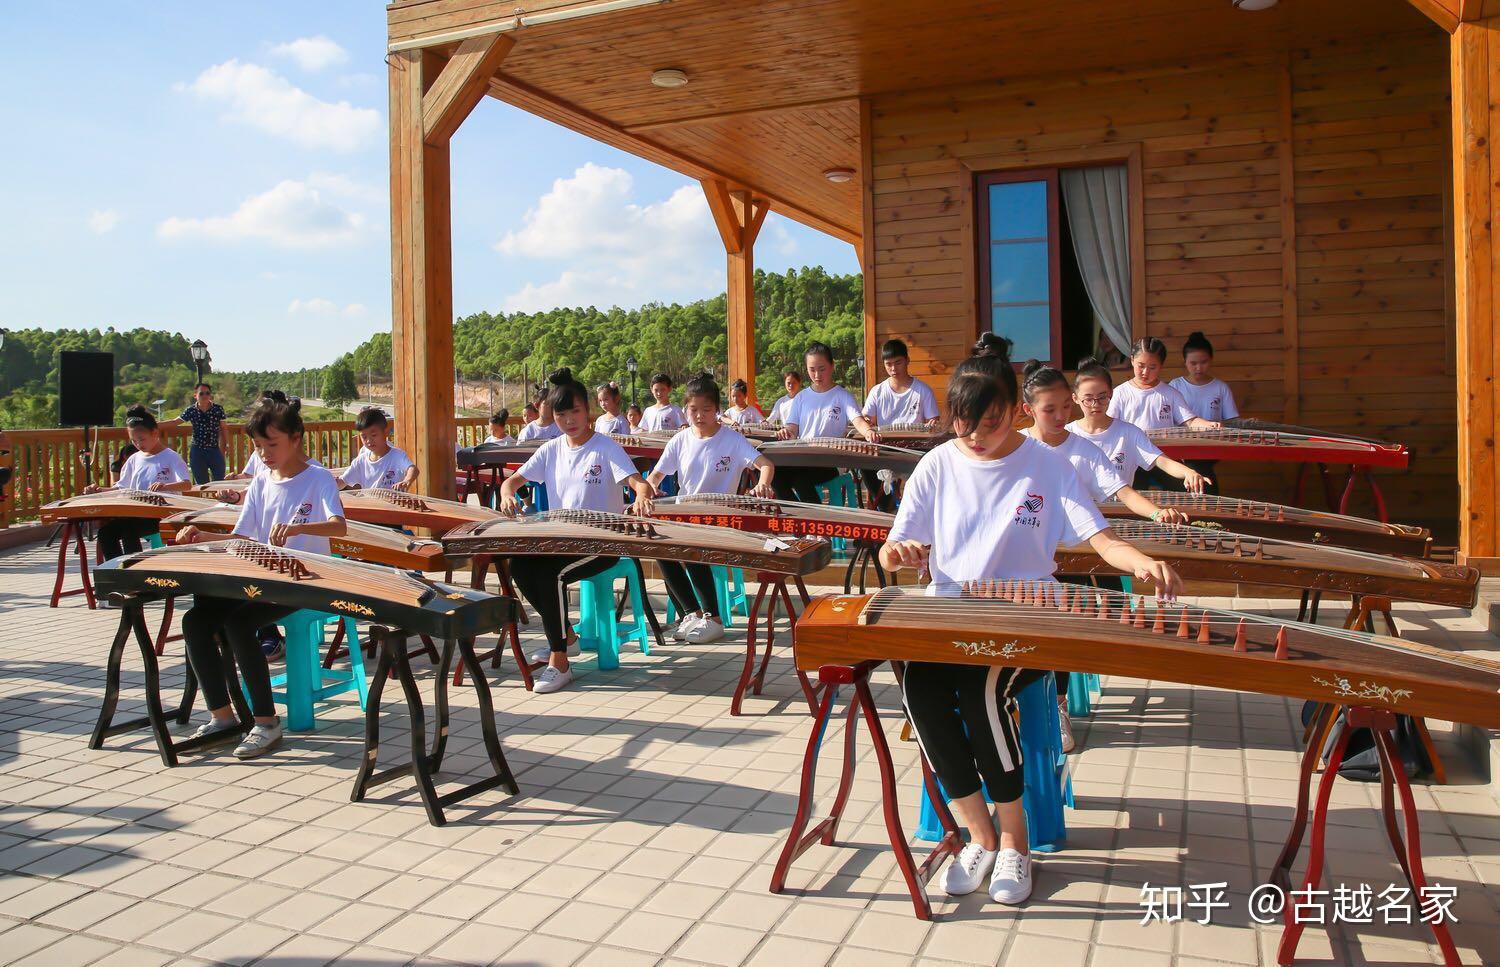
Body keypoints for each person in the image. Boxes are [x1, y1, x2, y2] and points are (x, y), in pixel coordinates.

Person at [879, 348, 1183, 906]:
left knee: (979, 693)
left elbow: (1100, 538)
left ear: (1015, 412)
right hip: (950, 613)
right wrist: (897, 554)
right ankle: (981, 836)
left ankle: (1015, 843)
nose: (974, 435)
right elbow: (895, 548)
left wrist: (1138, 561)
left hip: (1027, 616)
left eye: (990, 422)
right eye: (964, 423)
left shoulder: (1047, 465)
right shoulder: (938, 464)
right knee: (920, 692)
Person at [1020, 360, 1187, 752]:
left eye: (1065, 406)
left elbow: (1122, 492)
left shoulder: (1084, 450)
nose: (1062, 416)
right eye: (1050, 409)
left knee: (1060, 630)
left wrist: (1157, 511)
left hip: (1076, 553)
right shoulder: (1018, 448)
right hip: (1025, 556)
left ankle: (1057, 706)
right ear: (1028, 410)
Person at [171, 394, 347, 759]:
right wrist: (203, 535)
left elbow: (339, 526)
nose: (265, 453)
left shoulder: (317, 478)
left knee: (239, 624)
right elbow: (243, 536)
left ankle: (266, 723)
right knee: (196, 620)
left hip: (306, 579)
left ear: (295, 438)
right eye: (258, 446)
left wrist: (299, 528)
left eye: (272, 444)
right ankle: (222, 717)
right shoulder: (262, 481)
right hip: (265, 576)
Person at [497, 369, 656, 695]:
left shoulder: (605, 447)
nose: (569, 420)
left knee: (550, 573)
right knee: (521, 566)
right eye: (561, 414)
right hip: (562, 539)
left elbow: (637, 481)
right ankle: (566, 638)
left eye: (576, 412)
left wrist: (641, 495)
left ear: (589, 413)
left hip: (603, 542)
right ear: (552, 416)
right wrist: (506, 493)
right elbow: (512, 481)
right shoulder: (551, 449)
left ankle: (560, 660)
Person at [647, 374, 775, 644]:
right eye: (693, 409)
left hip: (721, 515)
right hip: (685, 513)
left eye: (706, 410)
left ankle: (714, 618)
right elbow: (655, 477)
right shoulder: (680, 440)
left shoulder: (731, 439)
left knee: (690, 543)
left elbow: (765, 464)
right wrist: (645, 493)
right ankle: (691, 613)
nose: (699, 416)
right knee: (657, 546)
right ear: (685, 410)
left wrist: (763, 485)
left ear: (717, 410)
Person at [1068, 358, 1209, 494]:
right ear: (1075, 398)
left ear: (1111, 394)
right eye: (1088, 399)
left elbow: (1161, 461)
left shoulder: (1129, 433)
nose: (1095, 404)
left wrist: (1188, 472)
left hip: (1120, 511)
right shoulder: (1067, 434)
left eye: (1102, 397)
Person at [774, 342, 878, 503]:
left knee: (801, 480)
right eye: (812, 370)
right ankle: (804, 519)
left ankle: (812, 522)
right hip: (803, 457)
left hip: (831, 461)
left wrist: (868, 432)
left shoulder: (843, 396)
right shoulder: (801, 397)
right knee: (775, 474)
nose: (817, 375)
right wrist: (786, 431)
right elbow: (792, 428)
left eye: (822, 369)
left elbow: (857, 420)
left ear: (832, 366)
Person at [84, 405, 192, 560]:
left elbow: (186, 484)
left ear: (155, 433)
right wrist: (99, 490)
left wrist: (165, 486)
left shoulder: (170, 457)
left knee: (129, 530)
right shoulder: (134, 459)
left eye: (142, 439)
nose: (138, 444)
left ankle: (134, 571)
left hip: (161, 515)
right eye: (134, 441)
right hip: (136, 513)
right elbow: (122, 488)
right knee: (105, 533)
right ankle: (116, 572)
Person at [860, 338, 940, 510]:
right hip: (884, 447)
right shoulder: (878, 391)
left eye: (898, 363)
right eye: (889, 364)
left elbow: (933, 421)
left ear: (907, 361)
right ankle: (885, 508)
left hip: (914, 448)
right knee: (864, 464)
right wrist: (866, 423)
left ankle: (914, 509)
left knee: (927, 466)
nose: (893, 369)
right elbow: (867, 420)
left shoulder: (922, 390)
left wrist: (932, 424)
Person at [1170, 331, 1238, 496]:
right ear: (1185, 362)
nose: (1198, 368)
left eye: (1203, 362)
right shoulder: (1175, 386)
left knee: (1199, 466)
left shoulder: (1220, 387)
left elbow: (1232, 421)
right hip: (1181, 445)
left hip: (1210, 445)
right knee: (1195, 469)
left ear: (1211, 360)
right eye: (1193, 363)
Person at [161, 383, 229, 484]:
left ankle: (219, 500)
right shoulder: (191, 410)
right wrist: (153, 425)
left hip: (214, 450)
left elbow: (224, 428)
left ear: (210, 395)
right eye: (201, 393)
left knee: (219, 482)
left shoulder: (218, 409)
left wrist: (227, 444)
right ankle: (203, 500)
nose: (205, 396)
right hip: (197, 451)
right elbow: (176, 422)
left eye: (207, 393)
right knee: (201, 484)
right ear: (195, 396)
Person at [339, 408, 418, 492]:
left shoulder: (397, 456)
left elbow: (413, 469)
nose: (369, 441)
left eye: (374, 435)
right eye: (364, 437)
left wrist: (406, 481)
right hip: (371, 503)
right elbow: (342, 481)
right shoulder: (360, 461)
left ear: (386, 432)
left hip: (393, 503)